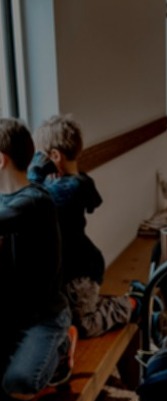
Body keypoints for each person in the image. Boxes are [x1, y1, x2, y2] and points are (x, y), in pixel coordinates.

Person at [27, 115, 150, 339]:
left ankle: (132, 303)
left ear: (54, 156)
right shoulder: (67, 183)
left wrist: (35, 173)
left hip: (80, 273)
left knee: (84, 325)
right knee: (64, 319)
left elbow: (36, 202)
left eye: (40, 156)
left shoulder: (71, 187)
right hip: (65, 271)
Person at [0, 118, 77, 401]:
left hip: (46, 317)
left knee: (18, 383)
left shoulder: (36, 202)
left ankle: (62, 347)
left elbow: (12, 210)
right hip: (13, 315)